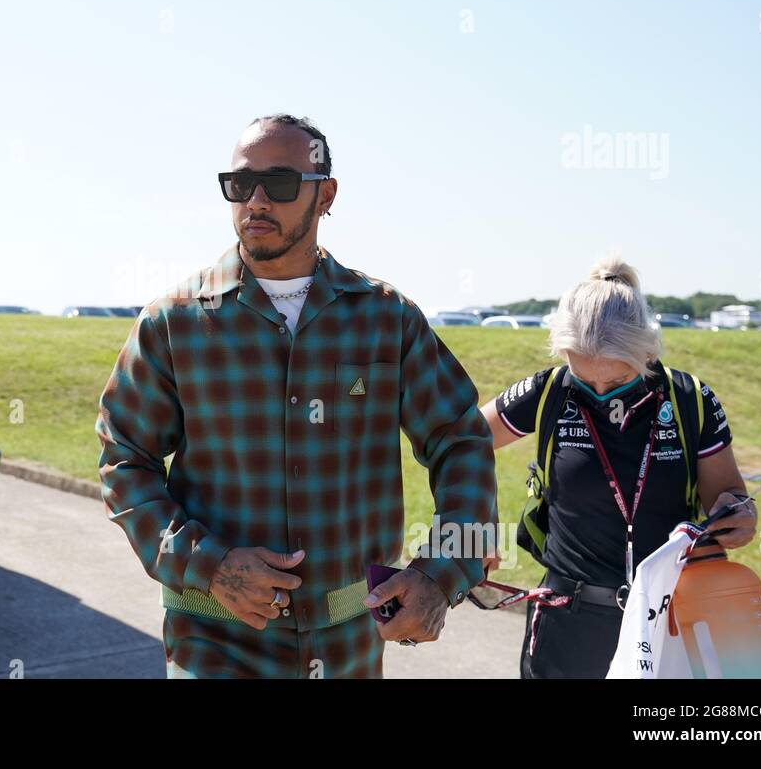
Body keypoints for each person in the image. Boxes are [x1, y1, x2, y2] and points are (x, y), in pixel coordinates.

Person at [95, 114, 498, 678]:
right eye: (239, 185)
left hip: (347, 649)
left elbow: (463, 443)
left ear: (325, 194)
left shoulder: (387, 320)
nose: (255, 201)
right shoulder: (174, 323)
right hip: (214, 641)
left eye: (280, 184)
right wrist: (205, 564)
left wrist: (441, 574)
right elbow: (123, 457)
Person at [481, 257, 758, 679]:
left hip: (667, 619)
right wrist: (477, 523)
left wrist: (739, 514)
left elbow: (729, 497)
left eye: (616, 381)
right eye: (584, 379)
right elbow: (461, 441)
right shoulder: (551, 389)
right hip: (567, 620)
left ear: (646, 351)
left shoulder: (690, 399)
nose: (599, 393)